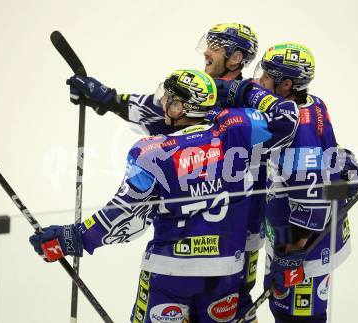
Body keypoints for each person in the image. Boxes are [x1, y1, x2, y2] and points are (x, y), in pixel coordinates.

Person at [30, 69, 300, 323]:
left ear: (179, 107)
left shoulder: (151, 152)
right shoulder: (238, 128)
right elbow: (286, 115)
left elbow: (123, 212)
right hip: (225, 272)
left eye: (168, 98)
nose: (162, 102)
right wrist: (240, 89)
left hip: (169, 273)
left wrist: (74, 236)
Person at [65, 23, 263, 322]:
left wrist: (80, 236)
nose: (207, 51)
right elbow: (162, 108)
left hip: (242, 233)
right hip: (227, 245)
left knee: (239, 299)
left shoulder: (250, 96)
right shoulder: (241, 121)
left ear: (236, 57)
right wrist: (108, 98)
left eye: (217, 45)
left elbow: (292, 129)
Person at [251, 42, 358, 322]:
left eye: (266, 76)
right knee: (281, 308)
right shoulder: (314, 103)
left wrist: (293, 254)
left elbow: (310, 199)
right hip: (290, 234)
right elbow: (329, 148)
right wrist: (342, 159)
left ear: (287, 84)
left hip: (305, 247)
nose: (259, 81)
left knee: (298, 316)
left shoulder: (296, 130)